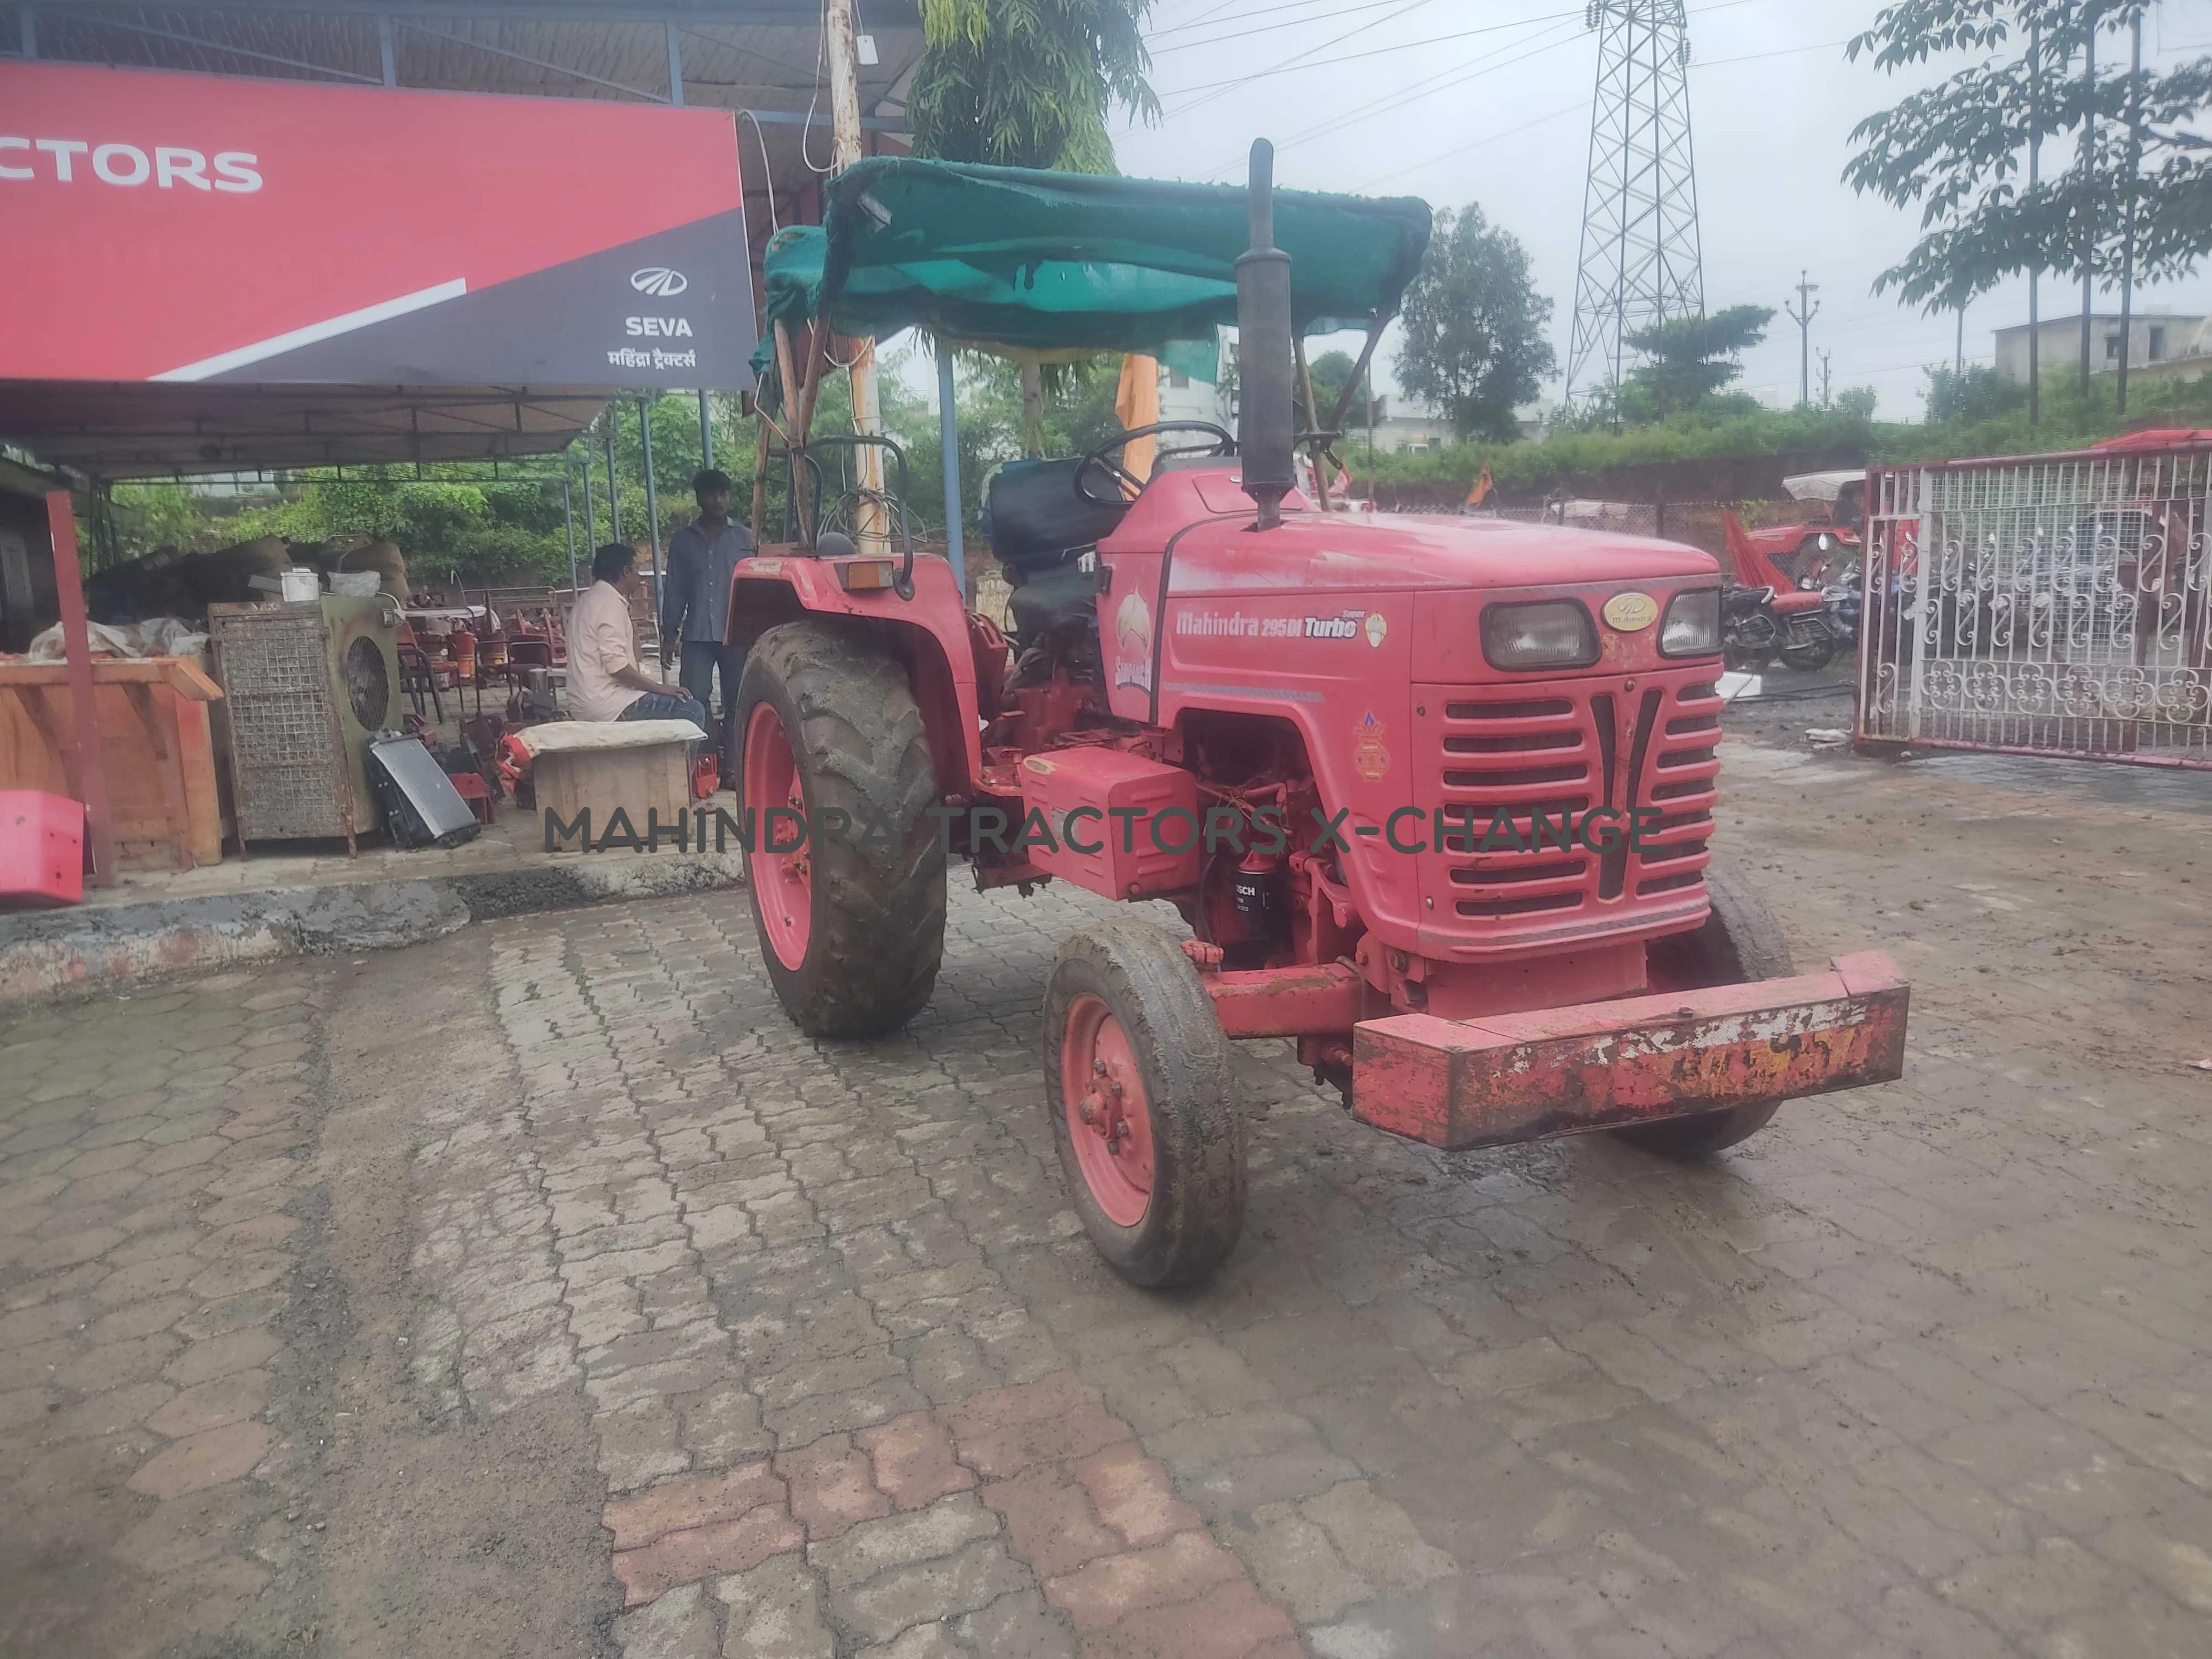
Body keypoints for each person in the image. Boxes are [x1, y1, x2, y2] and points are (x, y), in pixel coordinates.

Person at [661, 468, 754, 759]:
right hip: (698, 635)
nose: (718, 500)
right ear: (699, 498)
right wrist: (668, 635)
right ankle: (708, 761)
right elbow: (674, 589)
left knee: (739, 701)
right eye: (711, 494)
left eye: (723, 494)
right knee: (694, 699)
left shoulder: (747, 538)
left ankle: (735, 767)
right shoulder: (683, 541)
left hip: (738, 633)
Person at [567, 542, 710, 728]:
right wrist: (661, 688)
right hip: (608, 704)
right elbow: (617, 666)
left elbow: (632, 657)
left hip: (584, 702)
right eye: (636, 569)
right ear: (625, 572)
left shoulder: (587, 600)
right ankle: (683, 758)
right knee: (691, 710)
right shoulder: (610, 603)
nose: (639, 575)